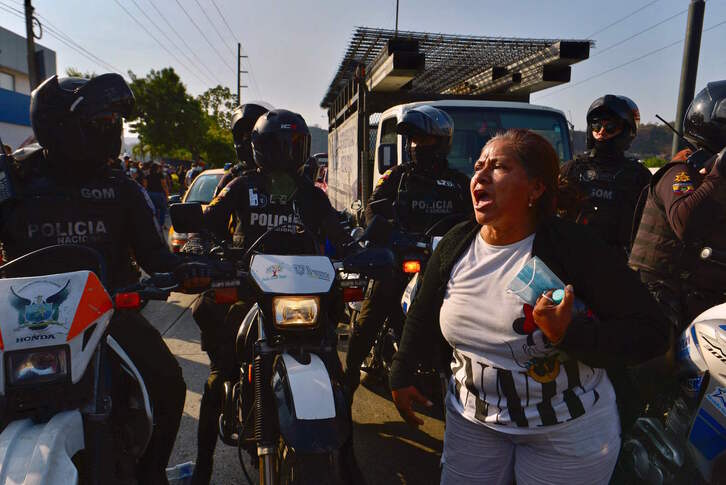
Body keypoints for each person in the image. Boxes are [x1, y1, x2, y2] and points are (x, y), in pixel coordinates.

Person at [390, 129, 668, 484]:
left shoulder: (574, 248)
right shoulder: (454, 245)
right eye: (479, 166)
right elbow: (423, 314)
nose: (481, 175)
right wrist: (401, 372)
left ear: (536, 189)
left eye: (499, 166)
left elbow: (652, 332)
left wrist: (570, 332)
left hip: (566, 433)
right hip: (473, 424)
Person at [3, 73, 210, 484]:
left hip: (108, 318)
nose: (111, 130)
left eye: (114, 121)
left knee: (168, 383)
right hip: (17, 325)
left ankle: (152, 476)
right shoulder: (13, 181)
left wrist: (188, 267)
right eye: (101, 120)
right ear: (60, 124)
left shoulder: (121, 187)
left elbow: (156, 256)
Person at [191, 109, 354, 484]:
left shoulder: (311, 195)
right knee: (220, 376)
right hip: (252, 291)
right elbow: (207, 225)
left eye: (295, 144)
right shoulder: (241, 186)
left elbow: (338, 232)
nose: (288, 152)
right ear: (263, 148)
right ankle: (203, 466)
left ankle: (347, 460)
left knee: (337, 374)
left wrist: (359, 248)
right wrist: (199, 252)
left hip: (304, 294)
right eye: (281, 145)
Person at [344, 105, 472, 398]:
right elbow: (371, 211)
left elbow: (474, 223)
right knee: (369, 318)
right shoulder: (395, 177)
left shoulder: (459, 184)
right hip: (400, 263)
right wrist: (392, 234)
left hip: (445, 266)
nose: (416, 147)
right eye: (412, 140)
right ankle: (347, 381)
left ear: (441, 142)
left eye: (423, 140)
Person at [630, 80, 726, 330]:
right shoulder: (680, 172)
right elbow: (686, 223)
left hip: (707, 303)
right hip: (662, 302)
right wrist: (720, 172)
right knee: (659, 366)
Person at [559, 95, 651, 257]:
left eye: (610, 126)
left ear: (626, 131)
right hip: (570, 257)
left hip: (616, 264)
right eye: (596, 125)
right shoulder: (571, 169)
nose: (601, 132)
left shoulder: (639, 177)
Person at [213, 102, 272, 197]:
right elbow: (213, 210)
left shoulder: (286, 176)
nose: (247, 140)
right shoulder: (233, 176)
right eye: (244, 135)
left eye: (252, 134)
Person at [146, 162, 170, 227]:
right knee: (162, 209)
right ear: (157, 169)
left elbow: (145, 186)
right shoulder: (160, 175)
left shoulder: (147, 176)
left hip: (150, 194)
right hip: (159, 194)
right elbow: (164, 186)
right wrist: (167, 195)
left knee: (152, 209)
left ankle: (153, 224)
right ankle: (160, 224)